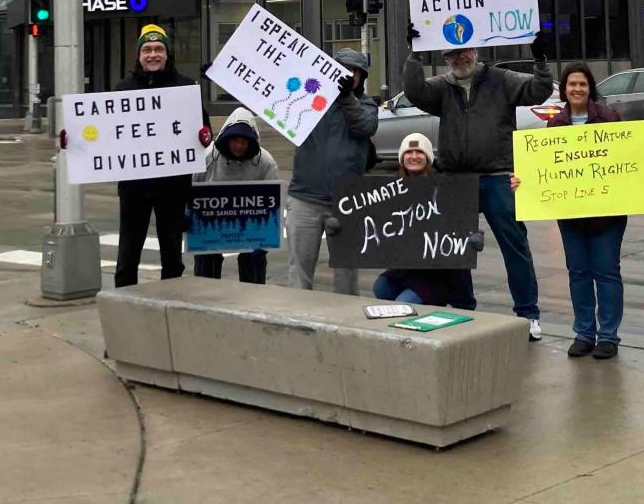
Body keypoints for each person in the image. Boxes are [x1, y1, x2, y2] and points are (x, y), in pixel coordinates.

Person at [403, 30, 553, 341]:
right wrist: (414, 54)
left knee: (516, 248)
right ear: (445, 59)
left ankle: (528, 313)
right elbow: (414, 91)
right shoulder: (441, 88)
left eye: (464, 51)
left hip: (498, 177)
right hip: (457, 180)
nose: (460, 58)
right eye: (452, 54)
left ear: (475, 50)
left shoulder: (501, 80)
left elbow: (537, 91)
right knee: (457, 252)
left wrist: (540, 59)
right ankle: (463, 309)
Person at [510, 64, 626, 359]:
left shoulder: (609, 118)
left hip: (607, 213)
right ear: (564, 90)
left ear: (590, 88)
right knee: (578, 273)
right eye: (572, 84)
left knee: (607, 272)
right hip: (571, 212)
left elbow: (627, 161)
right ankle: (584, 333)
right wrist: (524, 181)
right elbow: (544, 167)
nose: (577, 89)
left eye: (583, 84)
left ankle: (608, 337)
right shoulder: (556, 125)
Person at [113, 24, 211, 288]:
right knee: (128, 254)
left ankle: (171, 301)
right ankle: (125, 305)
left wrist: (204, 136)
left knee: (172, 255)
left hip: (173, 186)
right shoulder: (123, 90)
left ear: (167, 54)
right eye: (147, 49)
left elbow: (204, 128)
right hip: (134, 187)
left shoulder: (184, 87)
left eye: (158, 49)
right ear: (139, 55)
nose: (153, 54)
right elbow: (107, 134)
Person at [286, 47, 378, 295]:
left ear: (361, 78)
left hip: (347, 202)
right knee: (299, 272)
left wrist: (347, 97)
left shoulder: (368, 105)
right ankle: (297, 320)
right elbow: (275, 91)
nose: (347, 75)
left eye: (354, 72)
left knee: (347, 274)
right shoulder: (310, 101)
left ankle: (346, 324)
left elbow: (365, 127)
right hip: (305, 197)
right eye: (342, 69)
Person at [373, 133, 476, 308]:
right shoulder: (390, 190)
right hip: (406, 269)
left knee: (402, 304)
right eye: (409, 152)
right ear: (402, 158)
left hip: (437, 274)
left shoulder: (446, 187)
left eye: (419, 152)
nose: (413, 156)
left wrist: (472, 236)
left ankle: (429, 306)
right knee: (381, 288)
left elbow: (461, 222)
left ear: (428, 157)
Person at [192, 107, 280, 284]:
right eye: (235, 140)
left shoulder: (266, 163)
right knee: (206, 263)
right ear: (227, 139)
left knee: (253, 260)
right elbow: (191, 190)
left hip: (251, 227)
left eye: (243, 141)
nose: (239, 146)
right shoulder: (207, 158)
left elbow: (273, 206)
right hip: (211, 226)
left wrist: (265, 242)